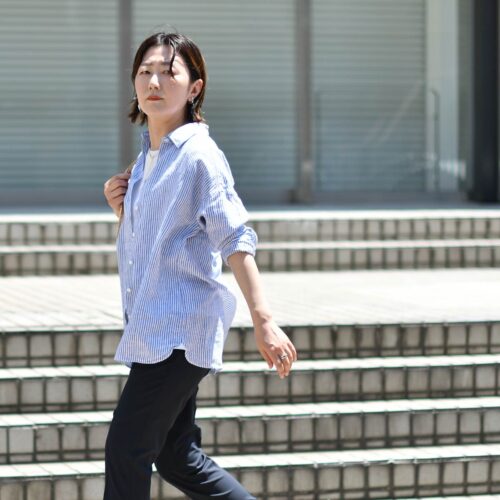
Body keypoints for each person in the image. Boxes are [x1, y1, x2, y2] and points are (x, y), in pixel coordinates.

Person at [102, 32, 297, 500]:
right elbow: (158, 244)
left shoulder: (199, 156)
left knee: (126, 450)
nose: (154, 81)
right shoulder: (147, 161)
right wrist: (122, 209)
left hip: (176, 330)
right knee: (177, 456)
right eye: (145, 71)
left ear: (194, 88)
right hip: (154, 329)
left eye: (169, 72)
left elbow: (235, 236)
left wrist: (264, 320)